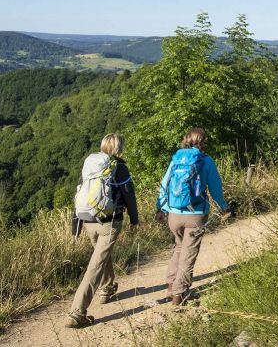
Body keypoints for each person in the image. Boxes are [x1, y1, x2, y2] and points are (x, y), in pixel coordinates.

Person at [66, 133, 139, 328]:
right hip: (110, 222)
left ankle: (107, 288)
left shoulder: (90, 164)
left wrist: (76, 226)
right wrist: (135, 220)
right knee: (96, 264)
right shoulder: (119, 167)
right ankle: (77, 312)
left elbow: (80, 191)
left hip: (88, 220)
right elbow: (129, 195)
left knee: (101, 256)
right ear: (119, 148)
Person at [156, 128, 229, 305]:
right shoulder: (206, 161)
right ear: (202, 142)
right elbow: (215, 189)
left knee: (179, 248)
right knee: (189, 254)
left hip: (173, 214)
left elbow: (164, 184)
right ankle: (180, 295)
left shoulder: (176, 159)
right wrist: (224, 208)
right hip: (195, 214)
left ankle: (171, 286)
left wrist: (160, 208)